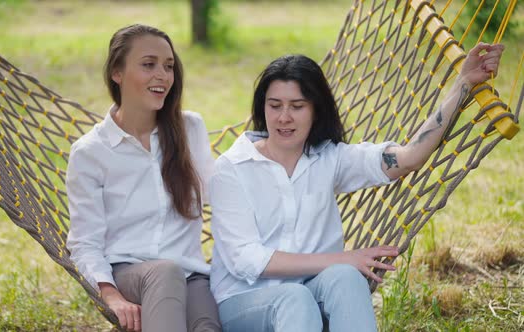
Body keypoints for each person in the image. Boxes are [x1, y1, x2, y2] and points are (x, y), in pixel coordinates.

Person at [209, 43, 504, 331]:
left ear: (315, 110)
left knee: (347, 278)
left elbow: (409, 157)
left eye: (297, 106)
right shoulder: (232, 168)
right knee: (296, 296)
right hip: (243, 302)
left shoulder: (330, 159)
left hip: (310, 289)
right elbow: (246, 261)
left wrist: (462, 84)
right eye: (275, 106)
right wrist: (340, 258)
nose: (284, 117)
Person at [66, 24, 221, 332]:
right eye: (148, 65)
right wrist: (111, 296)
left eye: (168, 66)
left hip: (191, 274)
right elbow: (85, 242)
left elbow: (220, 195)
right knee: (164, 272)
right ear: (117, 73)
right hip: (129, 273)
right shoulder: (90, 152)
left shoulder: (189, 129)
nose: (162, 75)